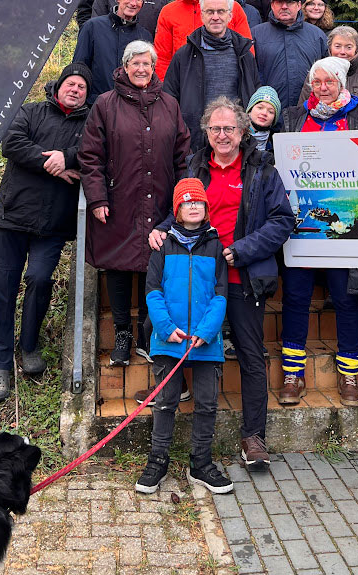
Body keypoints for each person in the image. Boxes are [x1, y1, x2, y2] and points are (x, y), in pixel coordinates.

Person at [149, 97, 294, 471]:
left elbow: (282, 220)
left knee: (250, 354)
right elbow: (180, 209)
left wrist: (242, 250)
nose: (222, 134)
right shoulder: (195, 166)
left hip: (242, 277)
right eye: (215, 128)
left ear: (243, 131)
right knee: (181, 344)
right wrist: (162, 229)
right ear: (206, 132)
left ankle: (253, 437)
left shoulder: (262, 169)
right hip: (198, 282)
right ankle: (171, 427)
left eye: (229, 128)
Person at [0, 64, 92, 401]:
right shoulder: (30, 112)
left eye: (82, 87)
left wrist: (67, 156)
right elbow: (12, 143)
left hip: (53, 223)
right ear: (58, 86)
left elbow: (95, 153)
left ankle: (29, 345)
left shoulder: (90, 124)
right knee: (3, 289)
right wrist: (52, 165)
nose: (75, 90)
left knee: (40, 279)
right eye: (70, 83)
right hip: (13, 215)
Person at [79, 41, 190, 366]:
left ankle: (146, 331)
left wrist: (181, 199)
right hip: (118, 200)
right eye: (135, 63)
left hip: (160, 199)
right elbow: (90, 155)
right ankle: (122, 333)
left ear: (154, 68)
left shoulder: (169, 104)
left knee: (152, 265)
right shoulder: (105, 104)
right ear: (125, 66)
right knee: (117, 265)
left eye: (147, 64)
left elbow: (182, 155)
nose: (141, 69)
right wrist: (97, 197)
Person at [279, 57, 358, 406]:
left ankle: (349, 373)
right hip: (302, 225)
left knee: (346, 298)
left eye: (330, 82)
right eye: (317, 82)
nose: (323, 88)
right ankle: (293, 373)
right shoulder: (294, 116)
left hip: (343, 224)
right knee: (295, 297)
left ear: (342, 84)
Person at [135, 178, 233, 495]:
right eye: (186, 202)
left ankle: (201, 464)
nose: (193, 206)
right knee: (165, 402)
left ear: (206, 207)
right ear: (177, 209)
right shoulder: (163, 247)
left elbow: (220, 295)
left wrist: (206, 331)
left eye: (198, 201)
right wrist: (165, 328)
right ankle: (157, 461)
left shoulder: (215, 247)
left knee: (207, 403)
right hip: (169, 340)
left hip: (205, 341)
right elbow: (153, 291)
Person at [162, 0, 260, 151]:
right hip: (195, 141)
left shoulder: (244, 54)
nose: (215, 17)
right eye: (210, 12)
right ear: (202, 15)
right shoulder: (184, 55)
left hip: (236, 141)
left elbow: (254, 93)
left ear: (230, 15)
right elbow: (170, 99)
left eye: (221, 11)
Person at [153, 0, 252, 81]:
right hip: (183, 85)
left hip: (224, 84)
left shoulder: (233, 8)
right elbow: (162, 59)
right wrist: (168, 89)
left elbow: (247, 52)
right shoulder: (169, 12)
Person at [73, 0, 152, 103]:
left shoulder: (145, 36)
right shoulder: (93, 27)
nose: (133, 3)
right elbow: (79, 67)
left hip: (130, 106)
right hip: (95, 104)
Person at [252, 0, 328, 110]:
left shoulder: (317, 35)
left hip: (308, 111)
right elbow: (249, 75)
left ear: (299, 5)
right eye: (279, 2)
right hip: (269, 112)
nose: (284, 7)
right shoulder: (256, 35)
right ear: (272, 5)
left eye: (289, 2)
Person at [298, 25, 358, 106]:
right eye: (337, 46)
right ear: (330, 48)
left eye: (349, 47)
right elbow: (303, 110)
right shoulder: (316, 74)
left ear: (356, 50)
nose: (342, 52)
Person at [246, 86, 281, 151]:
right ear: (250, 111)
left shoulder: (276, 145)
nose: (264, 113)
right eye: (260, 108)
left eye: (270, 111)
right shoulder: (236, 138)